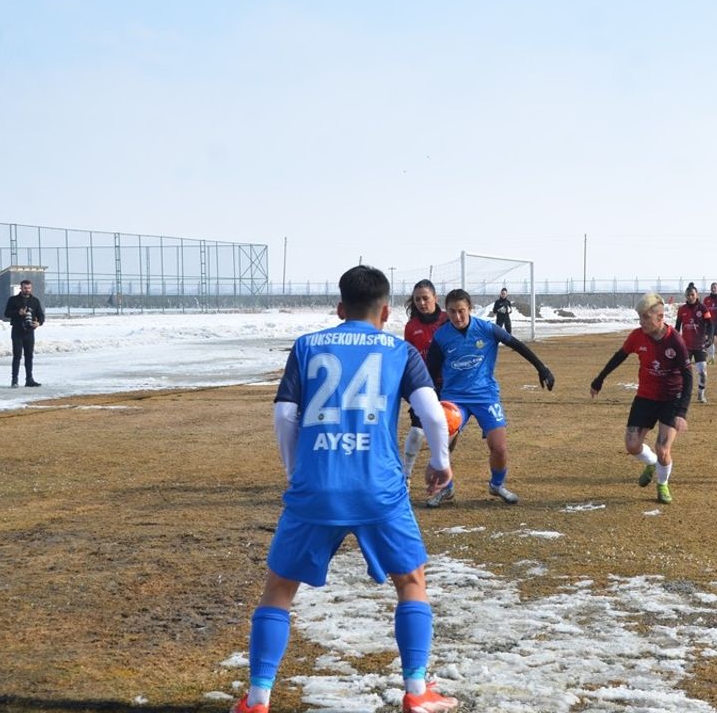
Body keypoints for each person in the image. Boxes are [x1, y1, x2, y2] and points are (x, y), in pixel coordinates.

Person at [234, 265, 459, 713]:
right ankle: (417, 693)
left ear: (339, 308)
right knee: (411, 581)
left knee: (278, 589)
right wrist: (440, 461)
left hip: (316, 487)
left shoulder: (307, 345)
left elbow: (283, 417)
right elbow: (434, 416)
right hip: (378, 488)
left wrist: (297, 470)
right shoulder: (399, 350)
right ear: (386, 312)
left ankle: (258, 699)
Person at [424, 289, 554, 508]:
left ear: (470, 309)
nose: (457, 317)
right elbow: (430, 370)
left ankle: (497, 485)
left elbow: (517, 345)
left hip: (485, 396)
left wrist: (542, 368)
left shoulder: (486, 329)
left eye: (462, 311)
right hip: (454, 398)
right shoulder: (441, 336)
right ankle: (447, 488)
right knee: (442, 445)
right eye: (453, 312)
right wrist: (432, 400)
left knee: (499, 448)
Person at [589, 292, 693, 504]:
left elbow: (688, 376)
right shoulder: (637, 336)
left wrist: (682, 412)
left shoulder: (676, 342)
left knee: (663, 449)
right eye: (640, 317)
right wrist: (599, 379)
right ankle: (652, 463)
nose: (642, 322)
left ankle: (662, 484)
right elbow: (620, 356)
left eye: (646, 317)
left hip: (671, 398)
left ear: (660, 316)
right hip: (645, 397)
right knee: (632, 445)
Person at [401, 280, 449, 482]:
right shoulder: (411, 326)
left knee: (448, 431)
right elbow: (407, 356)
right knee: (417, 431)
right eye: (417, 299)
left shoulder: (448, 319)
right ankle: (406, 476)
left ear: (435, 298)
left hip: (448, 384)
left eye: (425, 298)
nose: (421, 303)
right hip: (423, 385)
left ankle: (443, 468)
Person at [3, 279, 45, 387]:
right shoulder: (13, 300)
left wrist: (38, 323)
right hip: (17, 331)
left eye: (29, 288)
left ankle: (29, 379)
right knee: (17, 355)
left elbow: (41, 315)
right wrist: (18, 313)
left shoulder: (35, 301)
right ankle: (14, 380)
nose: (27, 290)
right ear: (21, 288)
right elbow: (7, 313)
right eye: (25, 288)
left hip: (29, 332)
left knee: (29, 356)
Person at [674, 283, 711, 403]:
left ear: (696, 295)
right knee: (683, 373)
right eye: (688, 295)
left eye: (692, 294)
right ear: (685, 296)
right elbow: (677, 326)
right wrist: (675, 340)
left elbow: (710, 324)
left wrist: (709, 337)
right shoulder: (682, 309)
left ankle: (701, 394)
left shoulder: (703, 308)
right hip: (686, 346)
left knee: (703, 373)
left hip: (700, 345)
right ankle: (682, 395)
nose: (690, 297)